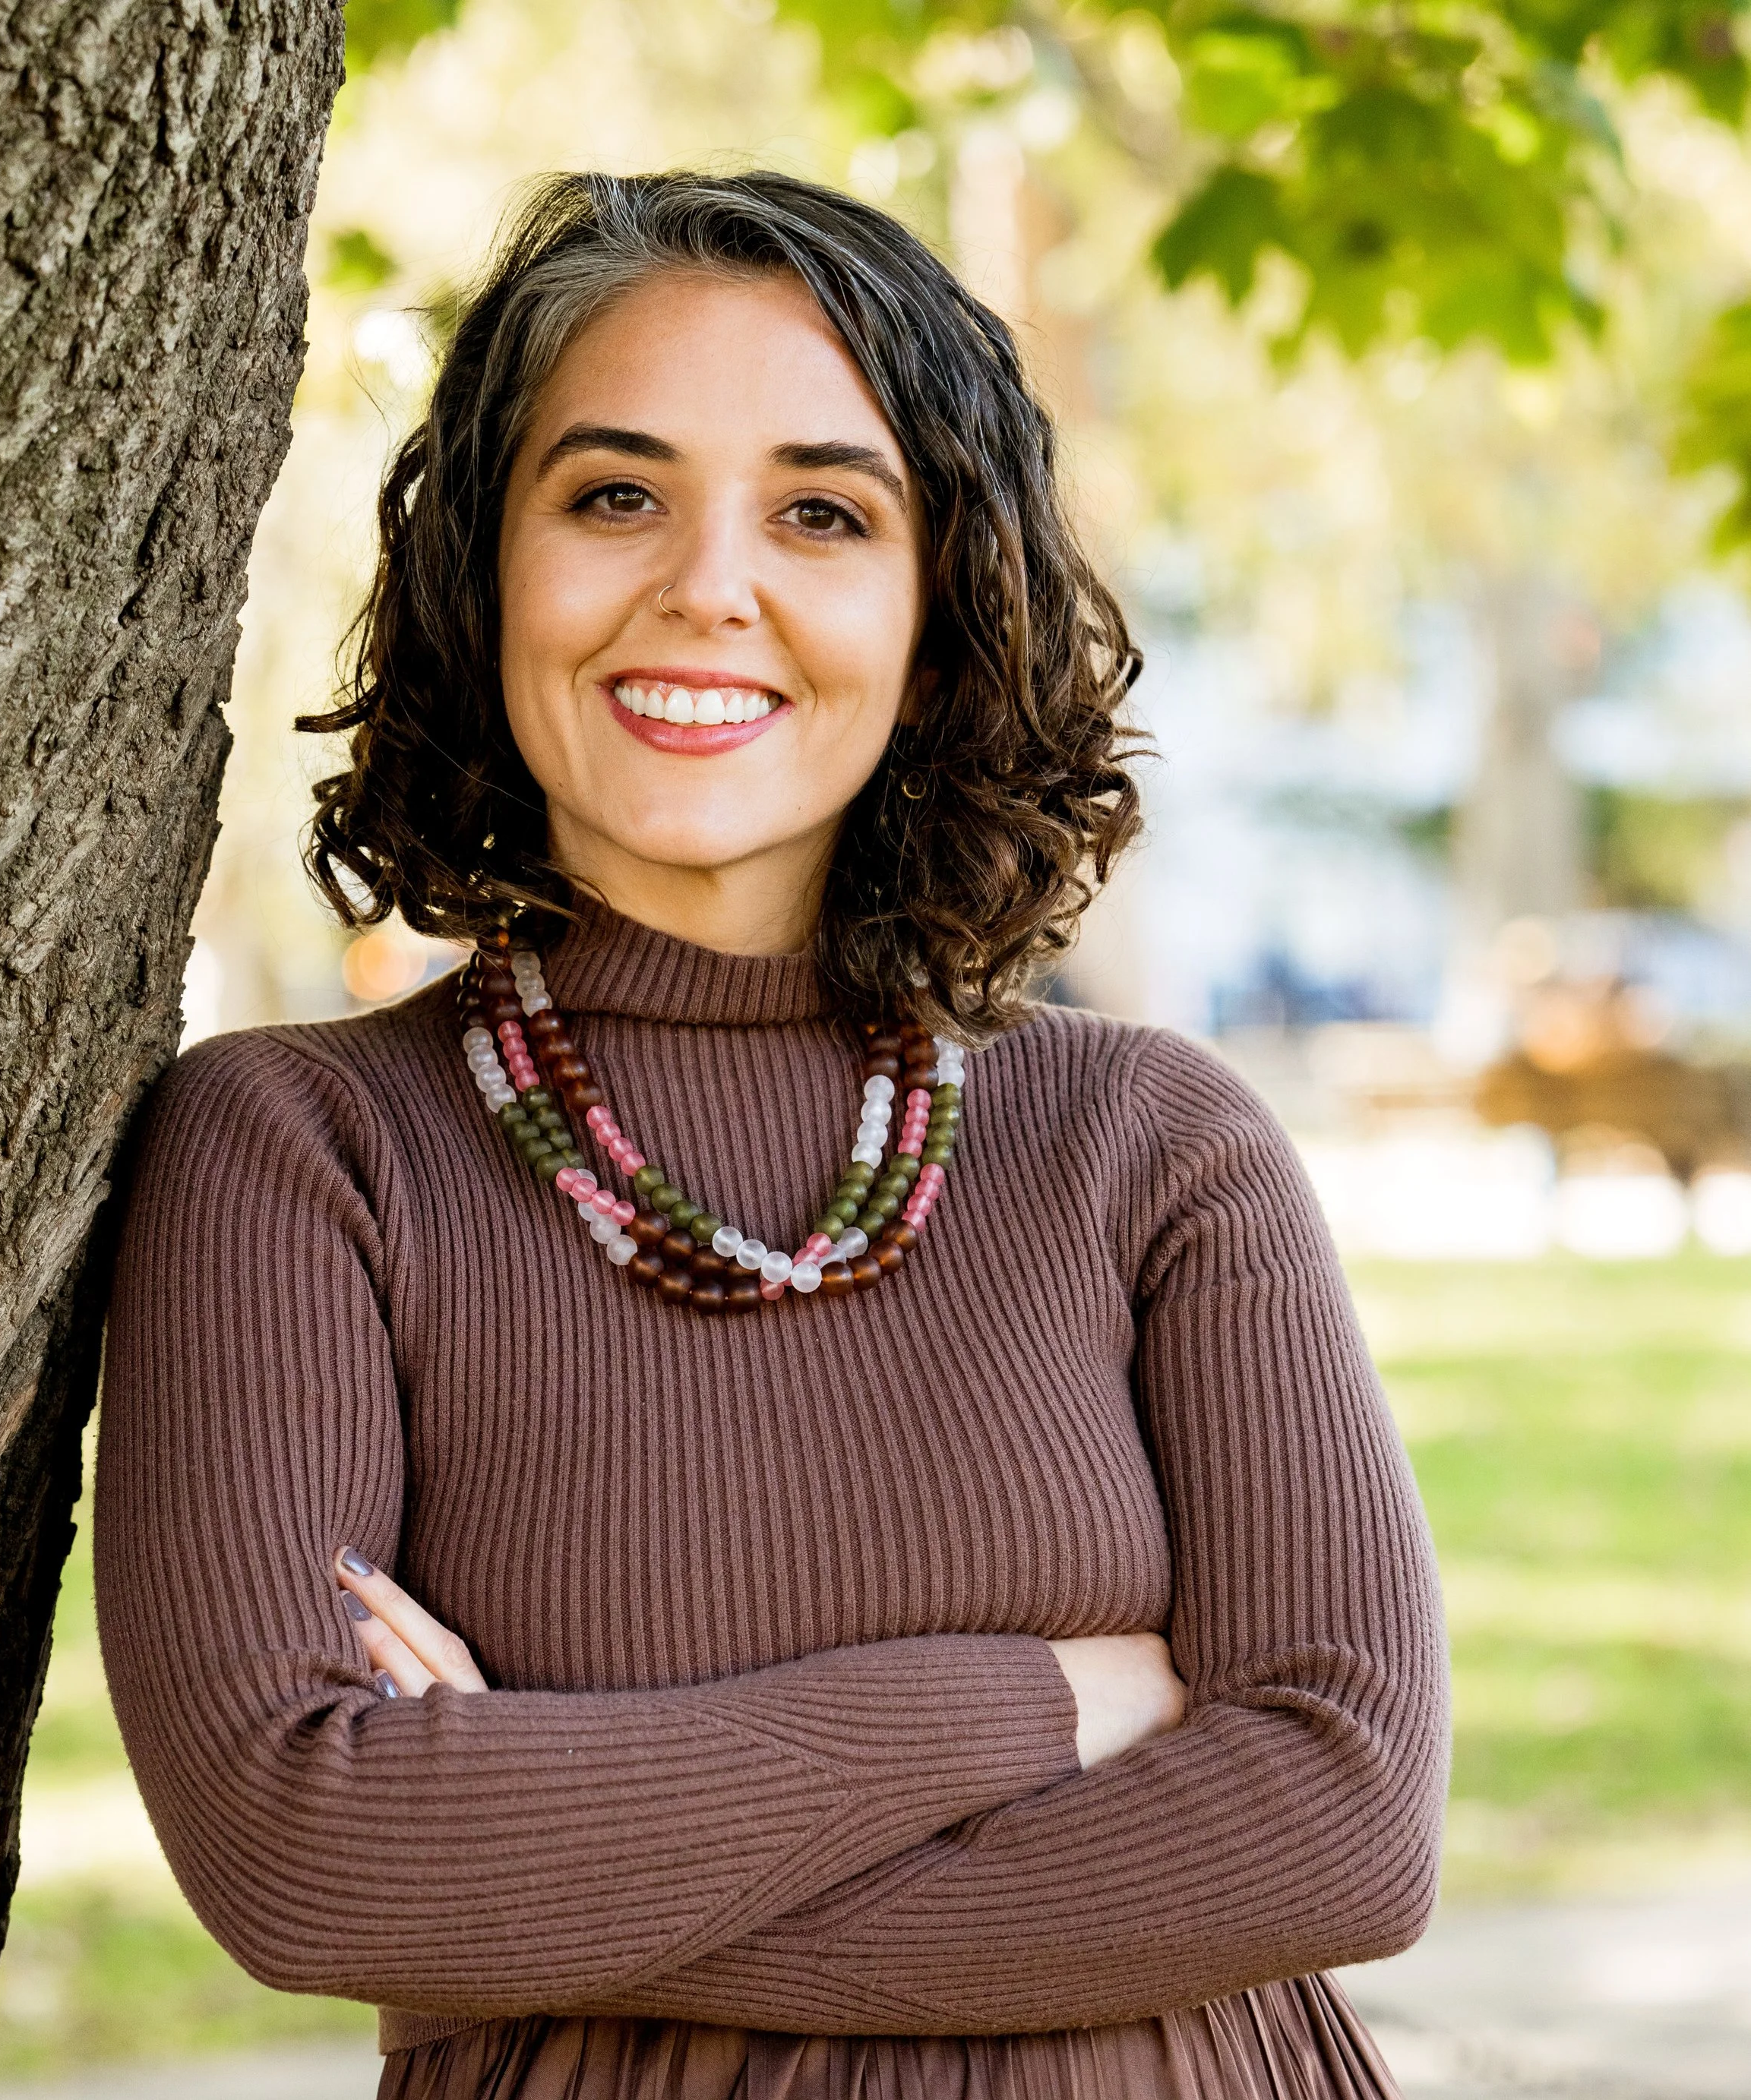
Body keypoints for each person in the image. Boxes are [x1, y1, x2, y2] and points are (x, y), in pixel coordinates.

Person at [95, 170, 1448, 2100]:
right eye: (613, 494)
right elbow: (311, 1850)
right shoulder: (304, 1148)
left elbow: (1342, 1818)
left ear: (935, 599)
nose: (706, 585)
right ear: (489, 568)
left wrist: (530, 1905)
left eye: (821, 510)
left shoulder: (1150, 1142)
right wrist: (1047, 1699)